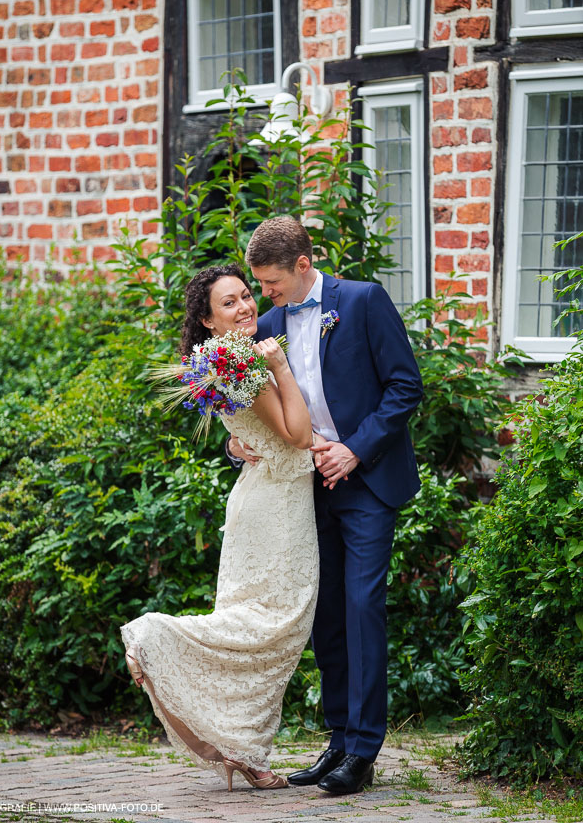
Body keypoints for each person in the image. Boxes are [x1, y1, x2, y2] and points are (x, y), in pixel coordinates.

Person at [228, 216, 423, 796]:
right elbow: (247, 408)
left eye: (269, 283)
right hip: (302, 488)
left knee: (362, 606)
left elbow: (405, 386)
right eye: (259, 285)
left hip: (366, 483)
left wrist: (355, 450)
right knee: (327, 615)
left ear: (303, 265)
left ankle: (363, 752)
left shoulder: (363, 302)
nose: (263, 295)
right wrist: (237, 442)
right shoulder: (267, 327)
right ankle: (339, 740)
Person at [121, 263, 319, 792]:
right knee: (276, 627)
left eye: (247, 295)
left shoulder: (218, 359)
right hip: (276, 505)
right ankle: (154, 634)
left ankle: (244, 751)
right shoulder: (242, 359)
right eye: (228, 303)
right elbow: (297, 435)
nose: (246, 306)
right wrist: (278, 364)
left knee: (261, 631)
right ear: (208, 321)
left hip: (261, 497)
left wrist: (235, 442)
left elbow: (246, 431)